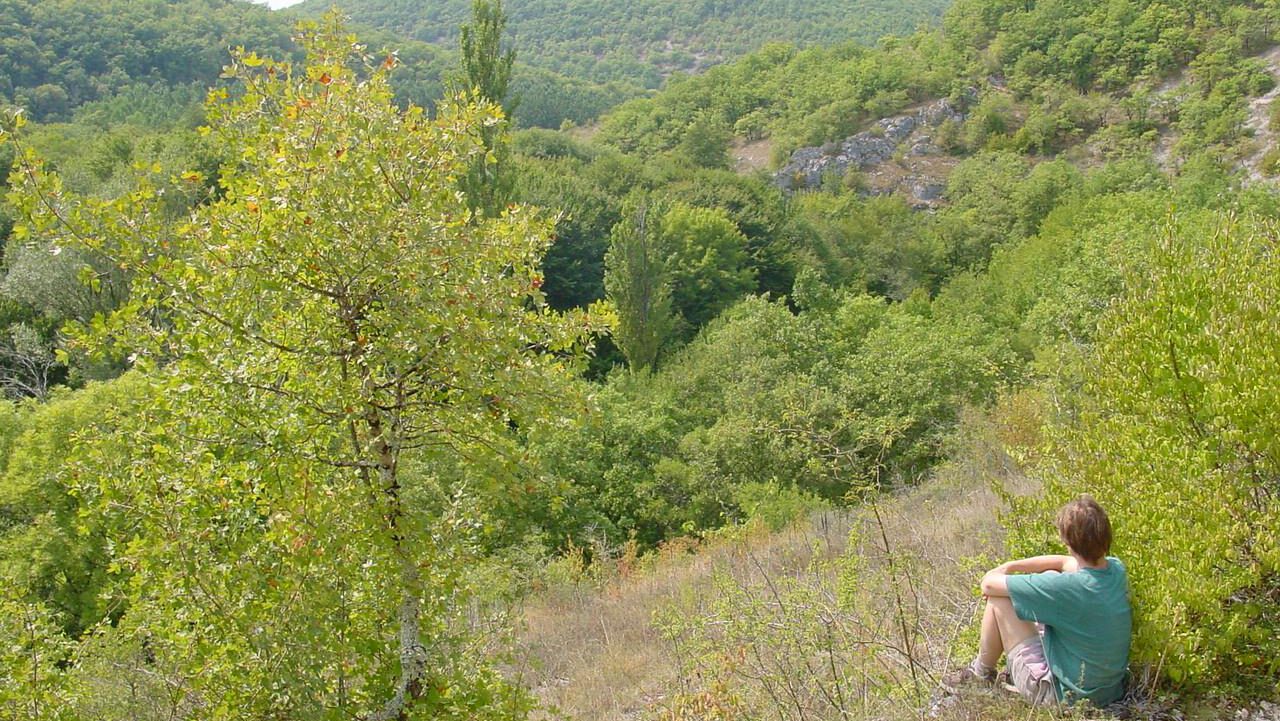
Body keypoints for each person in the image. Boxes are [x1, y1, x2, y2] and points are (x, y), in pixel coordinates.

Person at [942, 495, 1132, 707]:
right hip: (1108, 691)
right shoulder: (1116, 569)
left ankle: (980, 675)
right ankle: (985, 672)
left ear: (1067, 542)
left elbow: (988, 585)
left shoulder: (1065, 587)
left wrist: (1002, 570)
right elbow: (1063, 562)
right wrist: (1011, 566)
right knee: (1023, 597)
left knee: (999, 599)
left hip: (1063, 697)